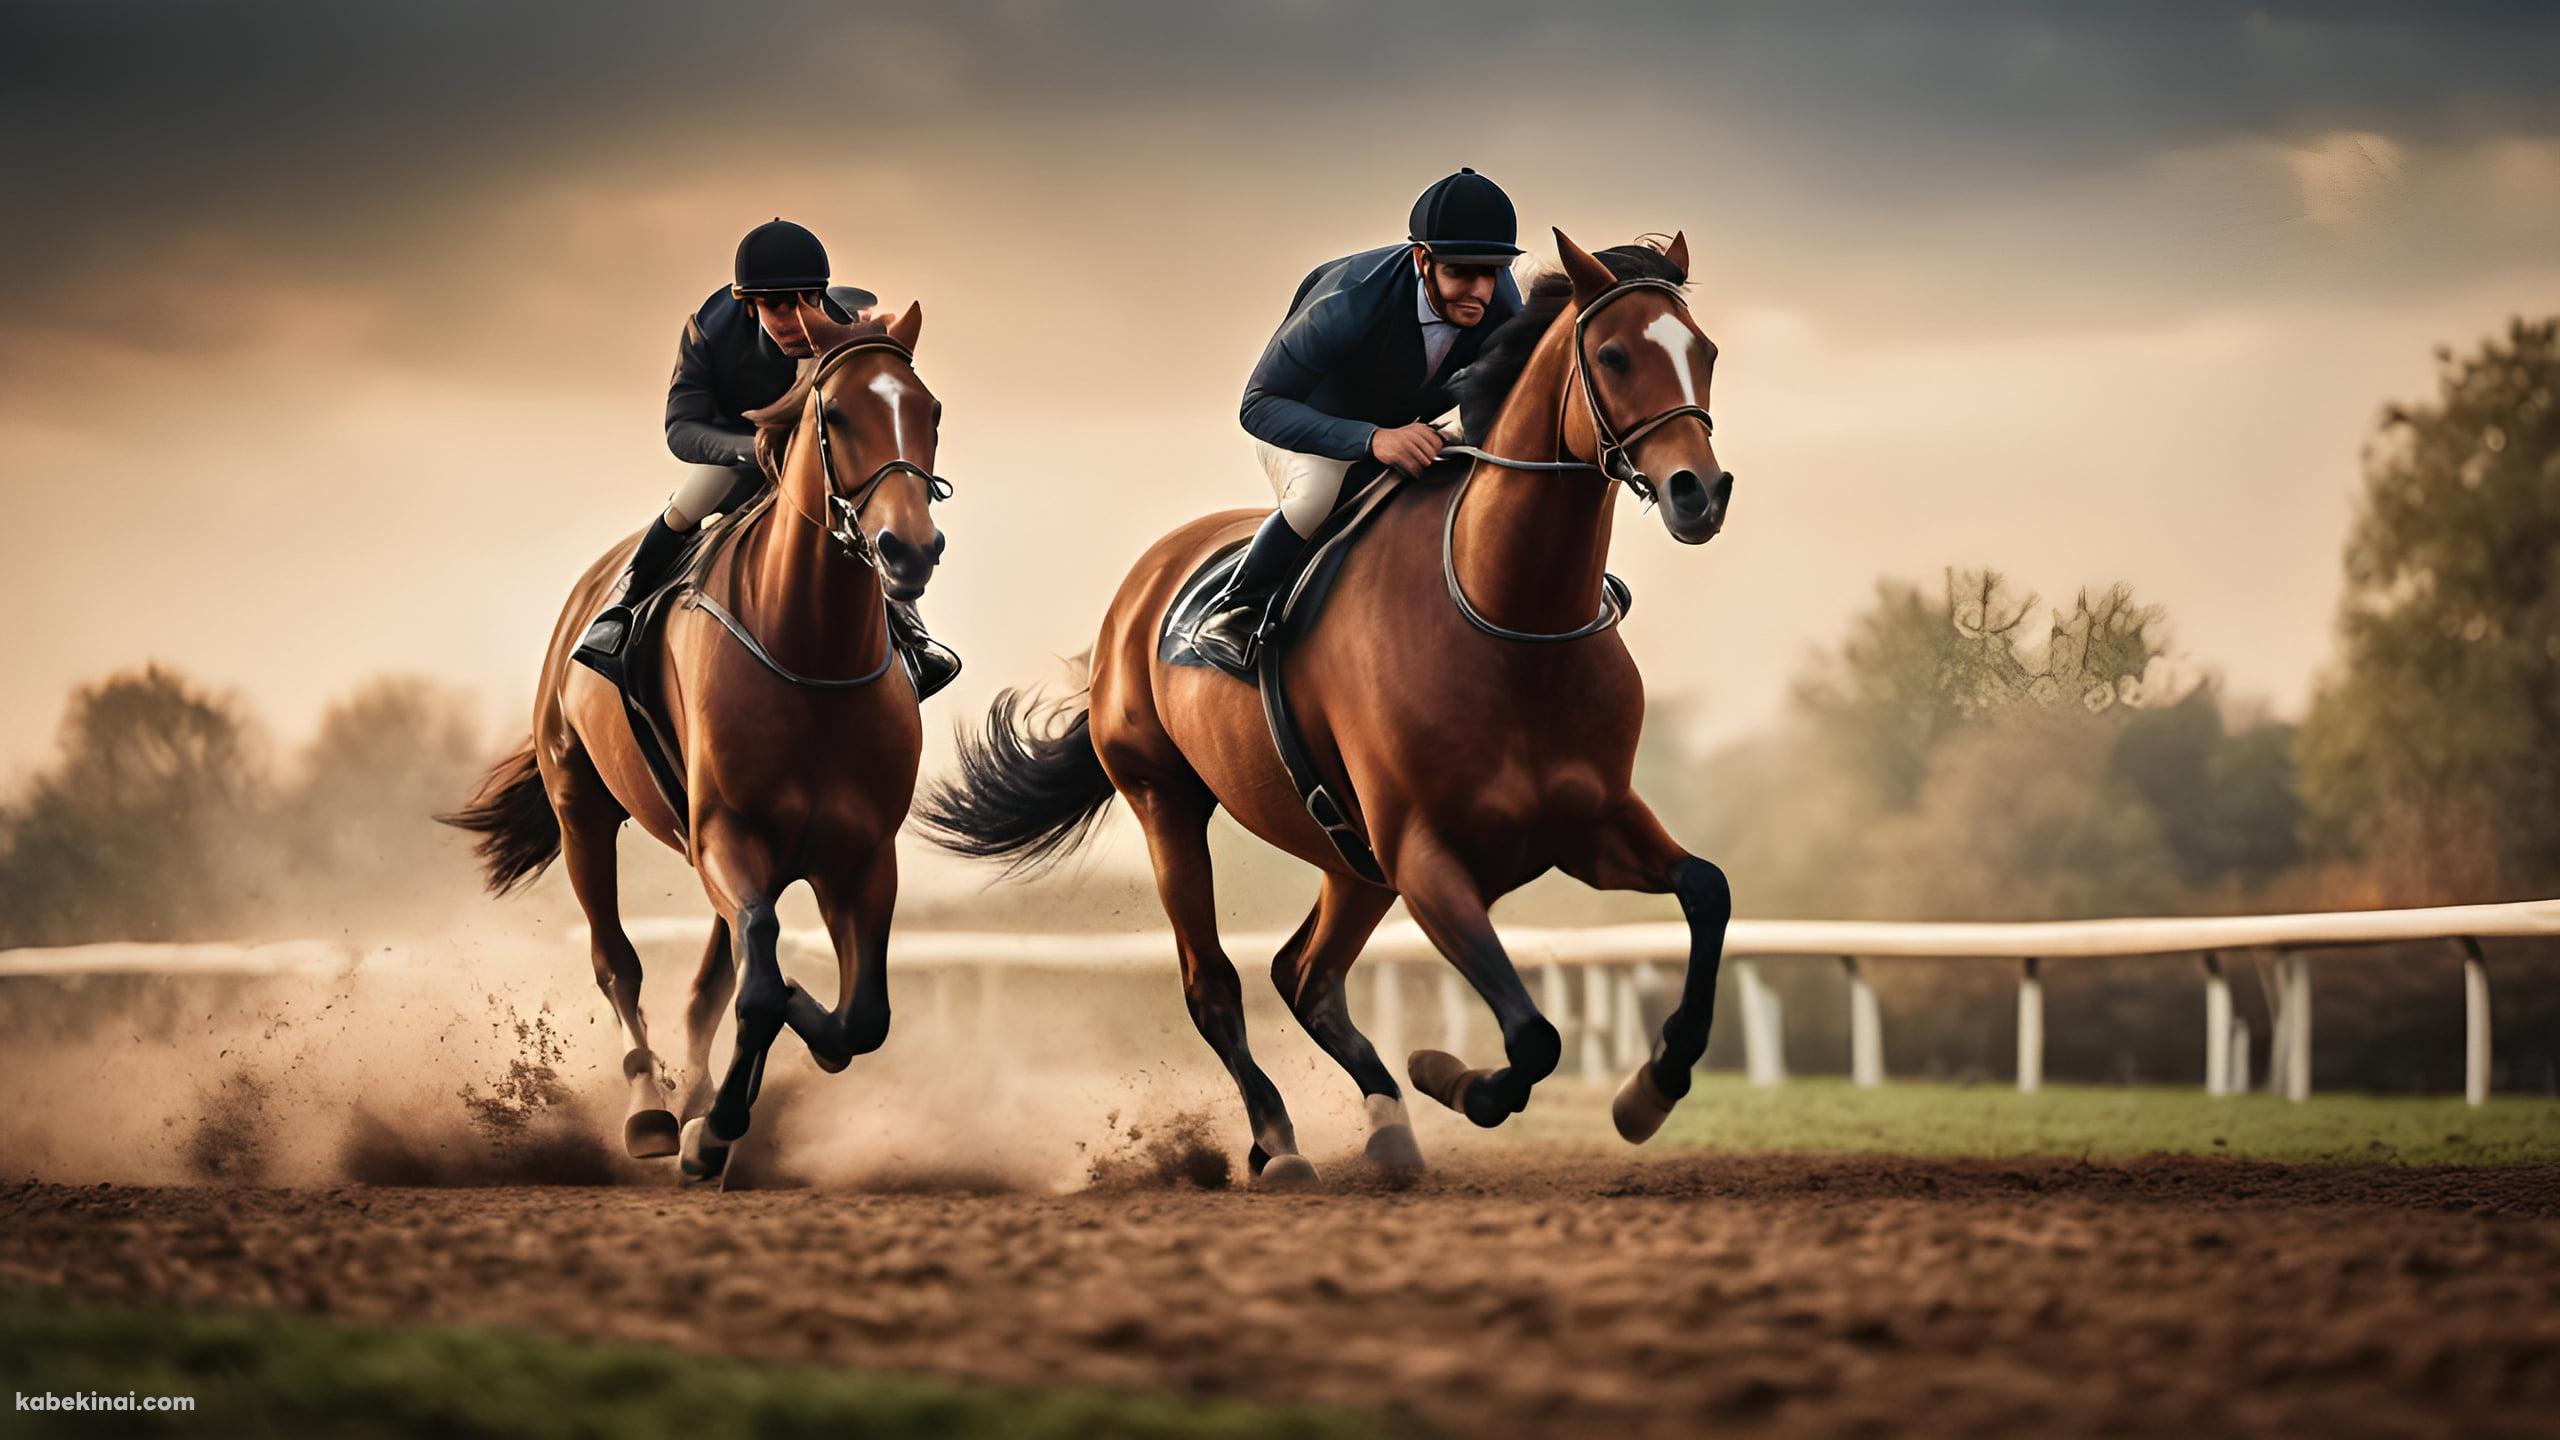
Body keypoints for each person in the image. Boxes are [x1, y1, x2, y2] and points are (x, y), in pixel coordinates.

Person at [571, 217, 959, 696]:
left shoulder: (843, 330)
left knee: (870, 518)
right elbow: (681, 428)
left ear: (821, 295)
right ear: (750, 306)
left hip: (821, 463)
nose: (795, 318)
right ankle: (624, 616)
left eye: (807, 300)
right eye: (776, 305)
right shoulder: (709, 332)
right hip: (737, 456)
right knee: (689, 503)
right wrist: (752, 449)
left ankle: (913, 637)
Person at [1187, 168, 1525, 673]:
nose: (1480, 290)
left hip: (1404, 423)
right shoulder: (1348, 303)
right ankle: (1234, 608)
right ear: (1422, 260)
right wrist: (1372, 440)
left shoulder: (1500, 301)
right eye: (1461, 272)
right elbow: (1257, 405)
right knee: (1319, 494)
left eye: (1492, 271)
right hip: (1303, 422)